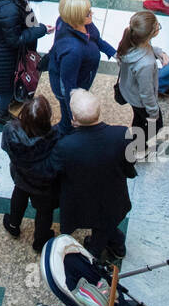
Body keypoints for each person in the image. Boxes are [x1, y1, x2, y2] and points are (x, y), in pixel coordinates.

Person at [46, 88, 137, 261]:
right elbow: (129, 162)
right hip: (113, 196)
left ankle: (93, 257)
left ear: (74, 119)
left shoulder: (65, 146)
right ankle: (117, 246)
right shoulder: (122, 134)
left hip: (81, 201)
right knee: (106, 224)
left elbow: (53, 172)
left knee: (99, 237)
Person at [0, 94, 60, 253]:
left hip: (21, 174)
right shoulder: (55, 136)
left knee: (19, 195)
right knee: (44, 211)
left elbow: (5, 148)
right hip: (45, 182)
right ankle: (40, 242)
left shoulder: (10, 130)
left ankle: (13, 225)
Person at [47, 0, 116, 130]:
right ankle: (65, 131)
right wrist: (74, 113)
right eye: (88, 13)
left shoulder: (80, 23)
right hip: (70, 86)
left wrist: (114, 53)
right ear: (76, 18)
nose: (92, 13)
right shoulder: (73, 51)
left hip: (81, 76)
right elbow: (68, 86)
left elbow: (96, 39)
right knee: (68, 121)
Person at [116, 11, 168, 151]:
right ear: (150, 34)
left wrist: (159, 53)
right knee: (154, 126)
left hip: (128, 90)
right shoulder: (146, 64)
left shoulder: (131, 39)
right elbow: (146, 93)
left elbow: (146, 47)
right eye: (158, 26)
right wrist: (153, 112)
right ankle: (140, 148)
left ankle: (137, 139)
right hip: (140, 101)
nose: (159, 27)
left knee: (139, 120)